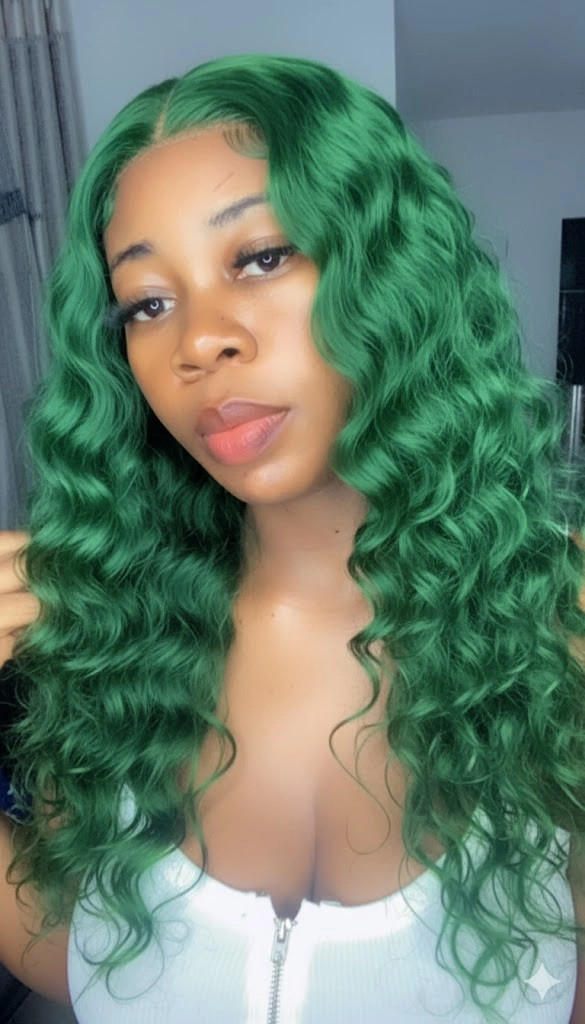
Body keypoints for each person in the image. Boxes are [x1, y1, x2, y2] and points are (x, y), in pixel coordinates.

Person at [1, 52, 585, 1024]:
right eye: (148, 301)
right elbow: (92, 958)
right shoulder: (103, 641)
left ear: (391, 273)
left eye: (262, 257)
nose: (198, 340)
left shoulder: (557, 627)